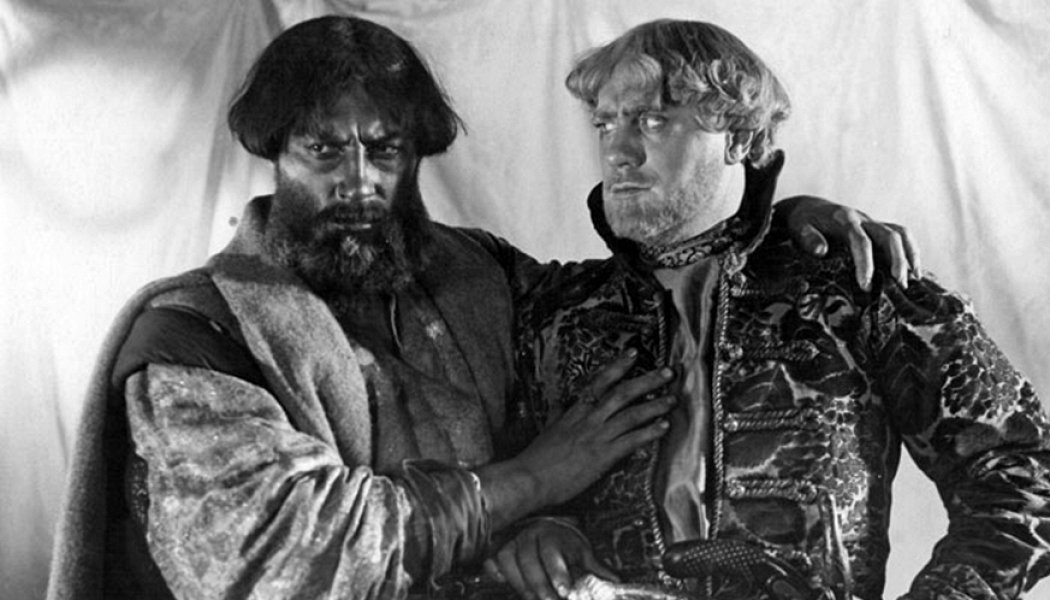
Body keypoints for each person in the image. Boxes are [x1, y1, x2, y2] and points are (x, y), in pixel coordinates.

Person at [46, 16, 918, 600]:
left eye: (385, 148)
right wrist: (534, 481)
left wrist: (772, 223)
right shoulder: (198, 335)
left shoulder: (480, 280)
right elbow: (284, 557)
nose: (359, 181)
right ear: (274, 152)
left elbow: (642, 297)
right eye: (323, 149)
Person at [488, 19, 1050, 600]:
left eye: (653, 121)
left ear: (738, 138)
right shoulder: (559, 313)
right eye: (606, 124)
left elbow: (1026, 477)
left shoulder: (855, 286)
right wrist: (536, 529)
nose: (618, 152)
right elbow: (497, 480)